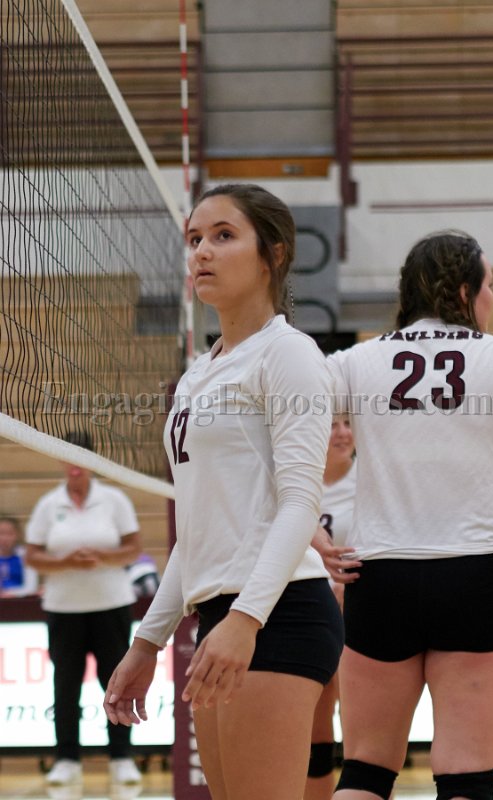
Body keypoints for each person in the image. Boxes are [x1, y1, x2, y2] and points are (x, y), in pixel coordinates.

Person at [103, 183, 344, 800]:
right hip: (220, 615)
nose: (201, 252)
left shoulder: (288, 354)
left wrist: (246, 619)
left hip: (277, 613)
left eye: (223, 235)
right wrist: (147, 642)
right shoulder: (197, 376)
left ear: (273, 255)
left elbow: (301, 502)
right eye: (194, 239)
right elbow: (196, 533)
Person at [318, 230, 493, 800]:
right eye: (489, 286)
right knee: (467, 777)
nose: (492, 299)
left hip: (379, 577)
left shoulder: (355, 361)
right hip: (480, 576)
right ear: (464, 291)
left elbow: (264, 432)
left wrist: (308, 531)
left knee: (364, 772)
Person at [25, 431, 143, 788]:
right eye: (68, 456)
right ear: (60, 460)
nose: (75, 464)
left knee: (116, 682)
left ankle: (122, 757)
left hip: (111, 606)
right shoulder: (49, 504)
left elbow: (133, 548)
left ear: (92, 461)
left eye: (81, 457)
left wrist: (103, 557)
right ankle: (66, 759)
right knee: (65, 685)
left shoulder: (114, 500)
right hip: (64, 609)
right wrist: (65, 562)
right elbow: (33, 555)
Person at [305, 416, 357, 800]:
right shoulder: (296, 482)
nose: (342, 432)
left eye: (348, 423)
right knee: (313, 724)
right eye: (332, 424)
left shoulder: (371, 480)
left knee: (360, 725)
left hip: (360, 611)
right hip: (307, 612)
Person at [0, 516, 39, 597]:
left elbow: (31, 587)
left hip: (18, 600)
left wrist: (10, 593)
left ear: (17, 535)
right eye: (1, 533)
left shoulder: (26, 556)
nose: (5, 538)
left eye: (10, 534)